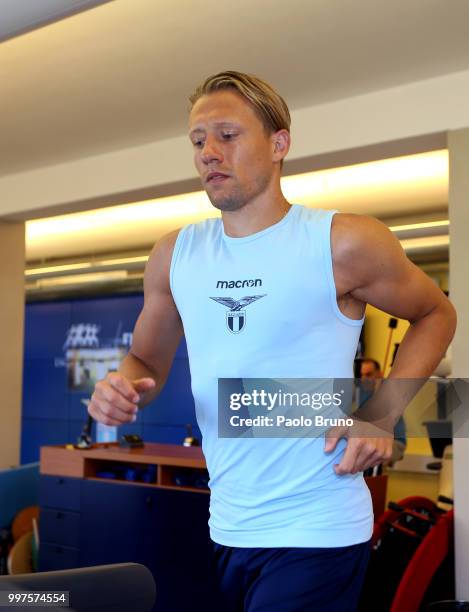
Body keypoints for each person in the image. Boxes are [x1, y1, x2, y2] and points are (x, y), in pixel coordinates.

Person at [88, 71, 457, 611]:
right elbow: (145, 359)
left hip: (318, 525)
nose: (208, 153)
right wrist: (121, 387)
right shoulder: (175, 256)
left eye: (227, 135)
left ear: (279, 143)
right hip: (229, 524)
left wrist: (380, 415)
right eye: (197, 141)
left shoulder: (341, 241)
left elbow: (436, 313)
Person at [355, 357, 407, 465]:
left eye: (369, 374)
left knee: (366, 449)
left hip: (395, 443)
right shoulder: (359, 391)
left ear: (379, 374)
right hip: (369, 441)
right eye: (362, 375)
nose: (364, 378)